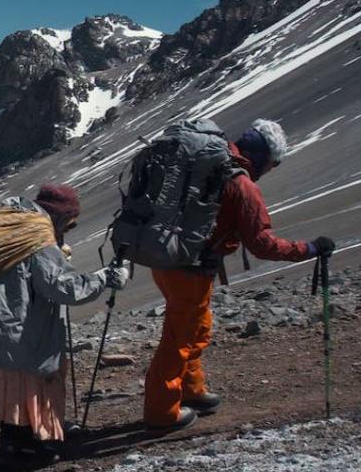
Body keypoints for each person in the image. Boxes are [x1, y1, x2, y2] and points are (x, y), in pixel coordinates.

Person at [144, 119, 336, 430]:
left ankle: (191, 391)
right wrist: (310, 249)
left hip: (168, 258)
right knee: (179, 338)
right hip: (191, 269)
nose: (270, 170)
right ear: (263, 157)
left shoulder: (211, 164)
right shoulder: (241, 184)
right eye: (272, 164)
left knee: (195, 328)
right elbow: (262, 244)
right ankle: (161, 411)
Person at [0, 185, 127, 472]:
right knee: (19, 387)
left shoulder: (4, 224)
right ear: (59, 218)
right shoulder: (37, 237)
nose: (66, 231)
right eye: (69, 224)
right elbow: (63, 288)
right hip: (5, 331)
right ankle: (18, 446)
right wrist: (104, 278)